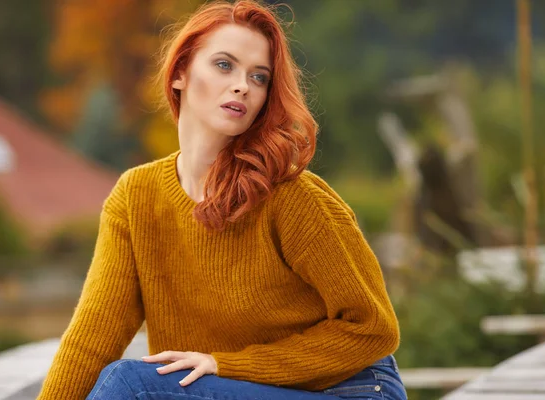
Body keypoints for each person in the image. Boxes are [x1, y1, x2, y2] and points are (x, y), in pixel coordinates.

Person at [36, 1, 407, 399]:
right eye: (224, 65)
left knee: (132, 384)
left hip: (352, 390)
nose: (242, 85)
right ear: (180, 73)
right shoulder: (136, 198)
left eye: (259, 77)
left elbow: (373, 328)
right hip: (233, 390)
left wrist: (226, 365)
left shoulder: (293, 197)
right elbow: (92, 340)